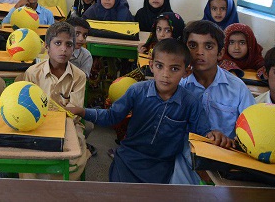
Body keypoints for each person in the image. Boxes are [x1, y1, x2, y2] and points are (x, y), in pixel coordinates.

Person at [68, 39, 229, 184]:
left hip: (161, 167)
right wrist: (82, 111)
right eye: (160, 66)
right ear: (151, 66)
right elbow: (112, 116)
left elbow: (202, 134)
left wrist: (213, 135)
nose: (165, 74)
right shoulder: (137, 91)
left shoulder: (190, 102)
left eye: (174, 69)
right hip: (128, 158)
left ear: (186, 72)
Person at [171, 20, 255, 184]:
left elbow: (254, 131)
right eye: (192, 45)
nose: (199, 52)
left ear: (220, 53)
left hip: (225, 163)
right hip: (183, 159)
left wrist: (233, 142)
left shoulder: (237, 88)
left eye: (208, 46)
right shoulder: (177, 84)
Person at [23, 21, 89, 180]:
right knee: (27, 155)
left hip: (69, 124)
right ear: (47, 46)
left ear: (73, 49)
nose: (63, 49)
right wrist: (59, 109)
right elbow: (27, 106)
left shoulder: (79, 76)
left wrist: (54, 112)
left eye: (69, 44)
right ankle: (30, 189)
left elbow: (74, 111)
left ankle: (58, 189)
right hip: (37, 123)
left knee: (76, 156)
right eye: (58, 43)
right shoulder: (33, 73)